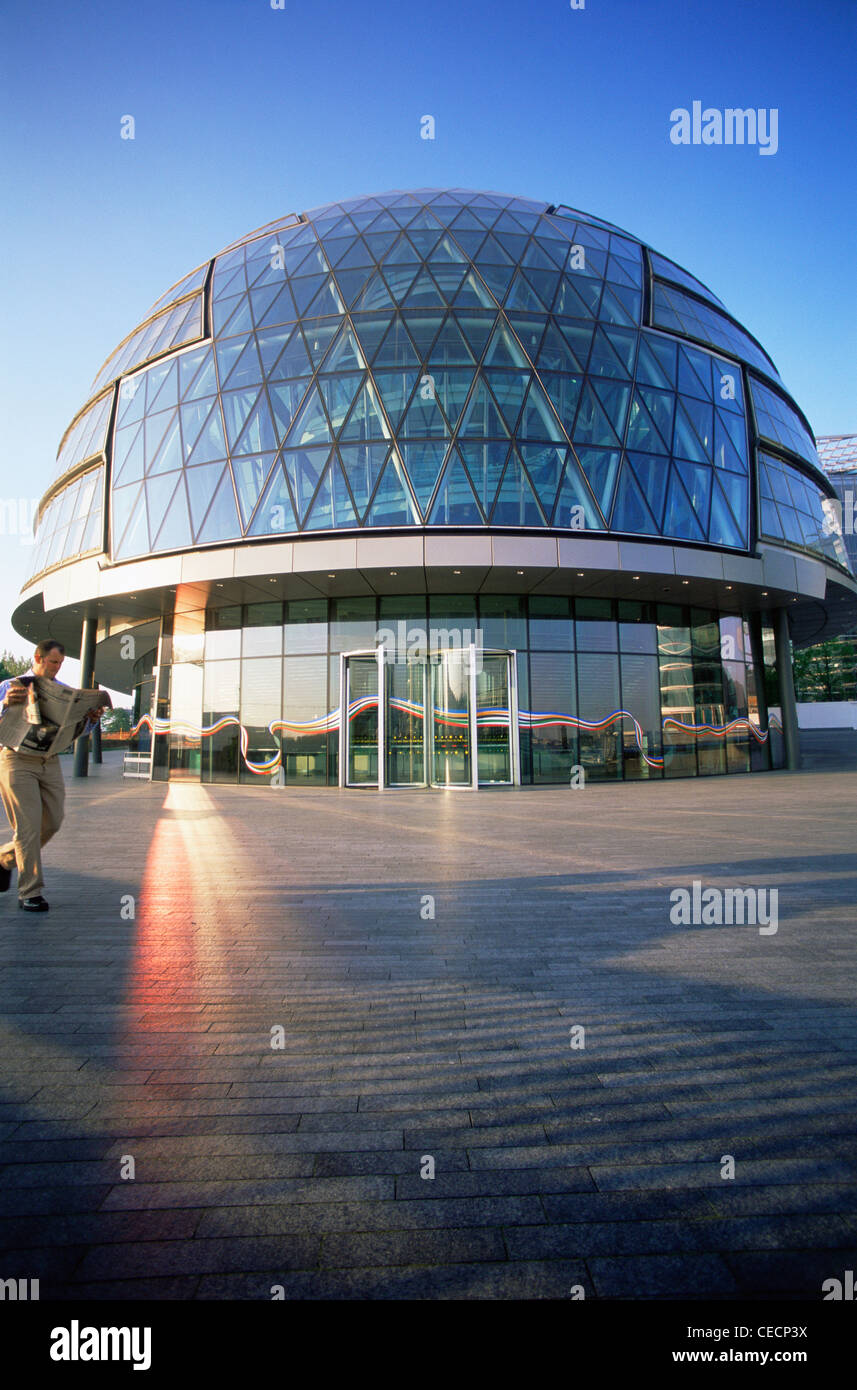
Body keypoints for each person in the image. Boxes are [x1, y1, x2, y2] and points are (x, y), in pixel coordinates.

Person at [0, 640, 108, 913]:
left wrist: (90, 719)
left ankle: (2, 858)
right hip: (15, 759)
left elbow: (73, 732)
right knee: (27, 825)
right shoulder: (10, 686)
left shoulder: (62, 691)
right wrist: (4, 704)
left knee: (54, 820)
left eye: (60, 663)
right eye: (53, 662)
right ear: (38, 657)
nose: (57, 668)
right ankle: (30, 892)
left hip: (49, 761)